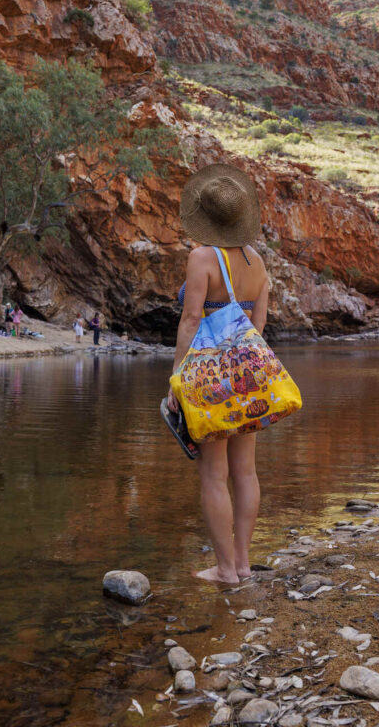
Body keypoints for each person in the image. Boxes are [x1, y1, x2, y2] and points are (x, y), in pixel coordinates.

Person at [167, 164, 271, 585]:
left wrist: (178, 376)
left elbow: (191, 319)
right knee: (245, 471)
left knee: (214, 473)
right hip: (249, 373)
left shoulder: (201, 258)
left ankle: (225, 569)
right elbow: (258, 327)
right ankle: (244, 564)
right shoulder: (258, 262)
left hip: (210, 375)